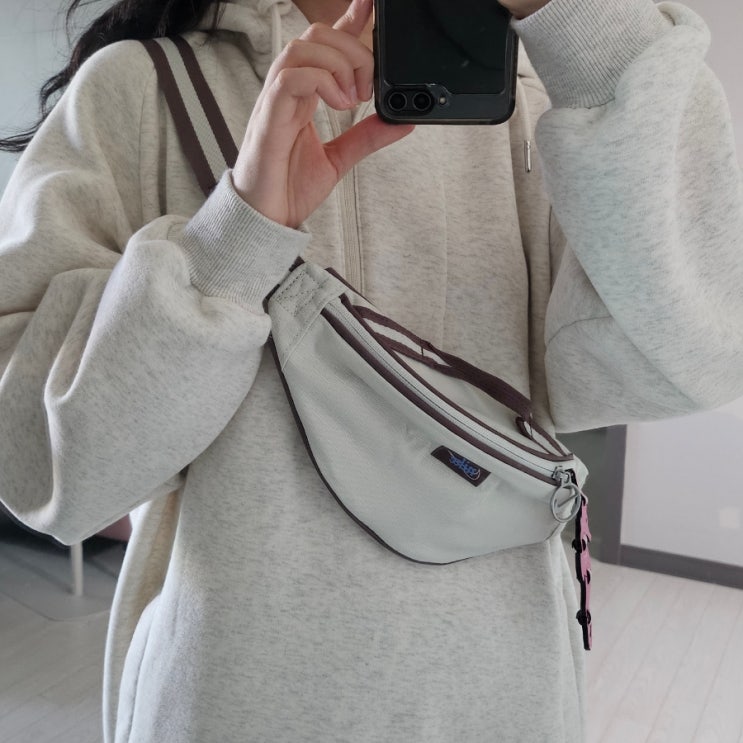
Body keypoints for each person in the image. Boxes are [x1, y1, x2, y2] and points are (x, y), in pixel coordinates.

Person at [0, 0, 741, 740]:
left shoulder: (542, 95)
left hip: (498, 701)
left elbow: (696, 357)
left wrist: (589, 36)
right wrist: (236, 237)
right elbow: (43, 467)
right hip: (233, 701)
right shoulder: (139, 88)